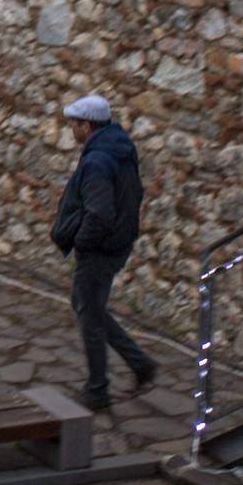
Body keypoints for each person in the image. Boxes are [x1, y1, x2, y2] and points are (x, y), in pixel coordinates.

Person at [52, 92, 159, 410]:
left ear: (86, 125)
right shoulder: (117, 147)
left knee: (90, 315)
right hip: (116, 244)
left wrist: (82, 242)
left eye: (73, 123)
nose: (70, 128)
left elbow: (98, 212)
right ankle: (140, 364)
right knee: (88, 306)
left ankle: (98, 389)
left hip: (99, 249)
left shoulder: (98, 159)